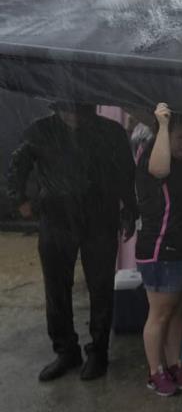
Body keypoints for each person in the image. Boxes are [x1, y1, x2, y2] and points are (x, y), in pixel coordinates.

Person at [7, 101, 136, 382]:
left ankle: (99, 352)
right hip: (57, 220)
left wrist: (130, 209)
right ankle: (66, 350)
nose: (73, 115)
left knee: (101, 287)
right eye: (67, 109)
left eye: (79, 109)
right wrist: (19, 200)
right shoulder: (40, 130)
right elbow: (18, 163)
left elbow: (126, 171)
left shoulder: (111, 132)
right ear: (56, 108)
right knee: (56, 289)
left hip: (100, 218)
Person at [136, 103, 182, 396]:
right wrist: (164, 127)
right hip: (161, 248)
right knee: (160, 314)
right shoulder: (154, 153)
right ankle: (154, 372)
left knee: (178, 313)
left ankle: (174, 364)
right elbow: (159, 169)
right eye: (181, 138)